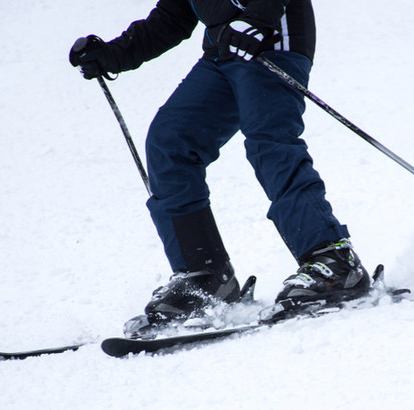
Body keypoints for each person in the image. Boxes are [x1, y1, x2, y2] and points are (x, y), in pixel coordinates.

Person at [69, 0, 369, 328]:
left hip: (270, 42)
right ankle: (205, 277)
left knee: (269, 142)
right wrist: (113, 55)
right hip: (223, 50)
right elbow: (172, 17)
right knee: (171, 141)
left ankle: (333, 260)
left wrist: (257, 18)